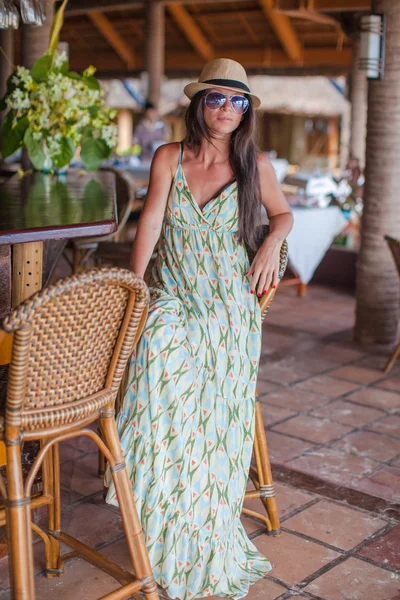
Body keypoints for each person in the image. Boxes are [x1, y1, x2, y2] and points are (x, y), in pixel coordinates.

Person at [105, 58, 293, 599]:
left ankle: (200, 526)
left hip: (229, 310)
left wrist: (273, 244)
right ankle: (162, 515)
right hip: (174, 296)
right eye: (216, 98)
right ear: (197, 104)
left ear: (245, 111)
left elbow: (282, 216)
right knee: (157, 335)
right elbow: (153, 223)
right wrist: (134, 290)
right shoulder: (168, 157)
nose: (227, 110)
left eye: (238, 102)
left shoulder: (256, 165)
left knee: (213, 413)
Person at [133, 100, 170, 164]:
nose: (151, 114)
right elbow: (134, 142)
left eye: (152, 112)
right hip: (145, 159)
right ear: (145, 113)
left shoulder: (162, 125)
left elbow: (167, 139)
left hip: (160, 159)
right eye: (149, 112)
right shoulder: (141, 127)